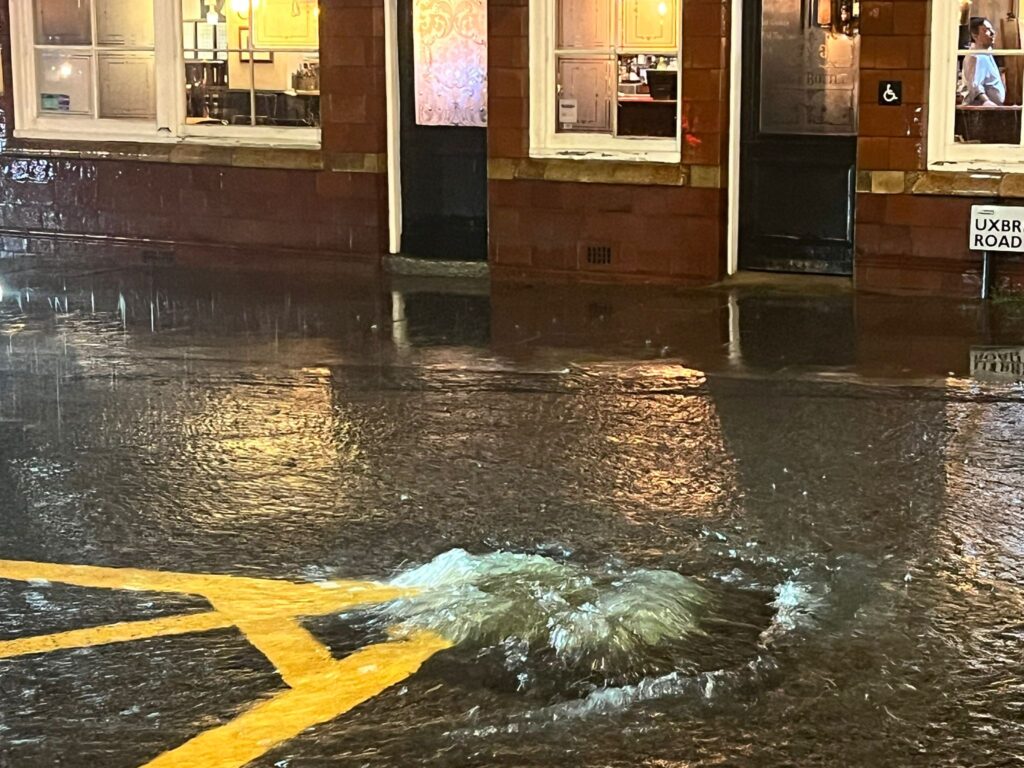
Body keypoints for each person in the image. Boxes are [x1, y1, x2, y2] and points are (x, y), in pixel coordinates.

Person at [961, 17, 1006, 106]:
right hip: (982, 111)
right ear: (975, 35)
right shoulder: (976, 56)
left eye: (992, 29)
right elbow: (975, 86)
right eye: (986, 30)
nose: (993, 33)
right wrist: (986, 102)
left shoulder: (986, 54)